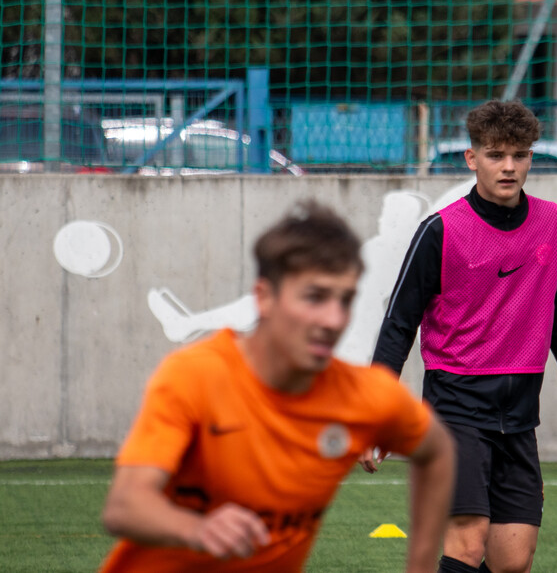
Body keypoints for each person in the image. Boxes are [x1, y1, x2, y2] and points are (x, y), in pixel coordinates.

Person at [99, 200, 455, 572]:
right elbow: (125, 506)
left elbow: (438, 451)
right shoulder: (193, 376)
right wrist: (197, 528)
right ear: (264, 297)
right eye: (315, 297)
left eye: (346, 300)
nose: (334, 319)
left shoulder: (365, 396)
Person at [367, 99, 557, 573]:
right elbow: (399, 322)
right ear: (472, 158)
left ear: (531, 157)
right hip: (455, 404)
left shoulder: (553, 223)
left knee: (512, 560)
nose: (509, 166)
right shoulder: (441, 230)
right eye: (496, 155)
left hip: (520, 410)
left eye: (519, 155)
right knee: (466, 542)